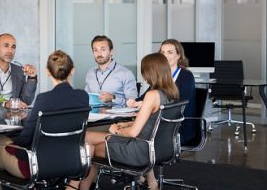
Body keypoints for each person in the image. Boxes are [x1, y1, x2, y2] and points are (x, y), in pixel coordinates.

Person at [73, 53, 179, 190]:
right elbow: (153, 123)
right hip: (158, 148)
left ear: (150, 72)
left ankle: (75, 186)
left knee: (87, 144)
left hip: (137, 151)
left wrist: (116, 130)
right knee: (88, 140)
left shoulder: (152, 95)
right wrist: (126, 124)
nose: (144, 76)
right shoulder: (172, 93)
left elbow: (134, 132)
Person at [0, 50, 88, 178]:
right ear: (73, 70)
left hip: (38, 165)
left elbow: (26, 138)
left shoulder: (44, 99)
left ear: (47, 72)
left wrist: (12, 145)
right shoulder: (82, 96)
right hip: (72, 162)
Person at [127, 39, 196, 145]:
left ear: (179, 55)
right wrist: (134, 102)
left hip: (178, 125)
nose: (165, 56)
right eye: (163, 52)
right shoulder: (160, 77)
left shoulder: (186, 76)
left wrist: (149, 105)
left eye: (170, 52)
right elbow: (143, 98)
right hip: (160, 123)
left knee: (132, 133)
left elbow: (182, 104)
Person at [85, 35, 138, 106]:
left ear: (111, 52)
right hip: (93, 115)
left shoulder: (125, 74)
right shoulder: (90, 73)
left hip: (118, 116)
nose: (99, 54)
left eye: (103, 49)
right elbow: (86, 98)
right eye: (95, 50)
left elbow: (133, 103)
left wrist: (113, 98)